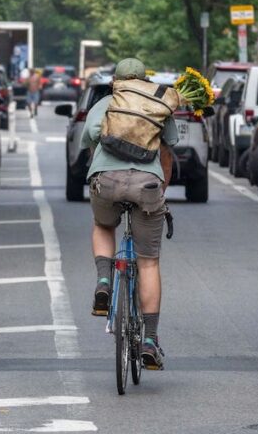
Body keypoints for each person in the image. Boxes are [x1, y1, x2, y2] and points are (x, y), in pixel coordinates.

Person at [81, 57, 177, 370]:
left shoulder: (105, 103)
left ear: (116, 82)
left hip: (106, 181)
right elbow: (167, 150)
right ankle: (149, 340)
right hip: (147, 185)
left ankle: (104, 282)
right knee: (148, 262)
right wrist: (161, 189)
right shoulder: (157, 102)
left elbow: (90, 141)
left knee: (102, 224)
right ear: (145, 79)